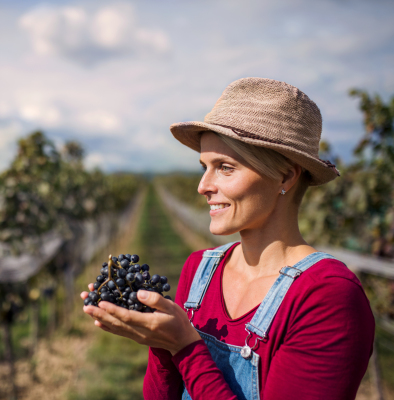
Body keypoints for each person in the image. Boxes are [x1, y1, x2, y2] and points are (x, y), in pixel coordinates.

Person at [81, 77, 375, 399]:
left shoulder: (326, 296)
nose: (203, 186)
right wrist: (162, 341)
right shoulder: (200, 271)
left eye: (224, 168)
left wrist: (185, 346)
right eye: (204, 167)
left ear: (286, 175)